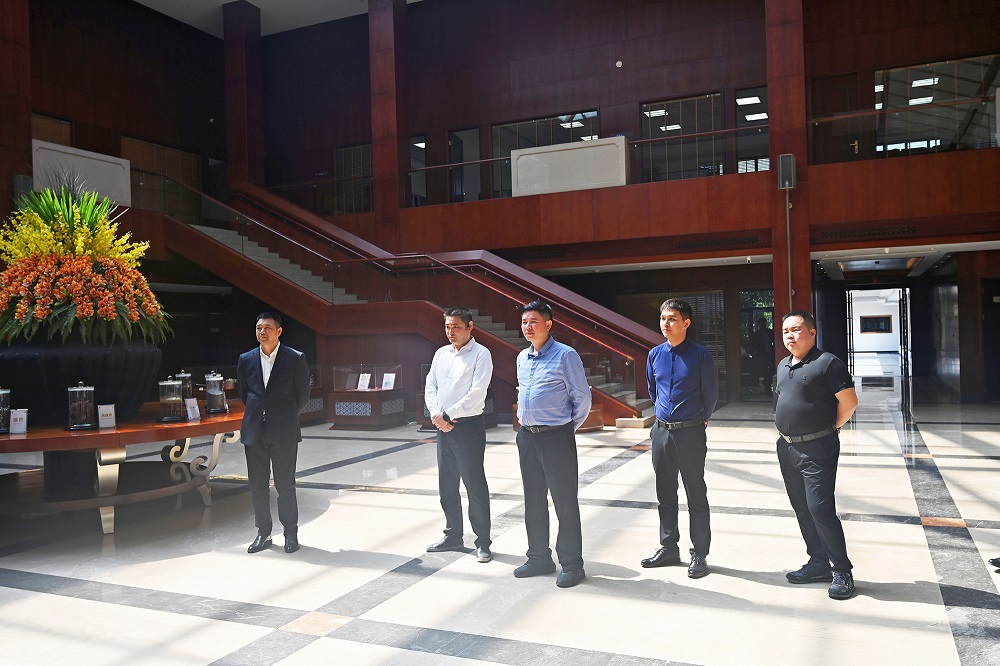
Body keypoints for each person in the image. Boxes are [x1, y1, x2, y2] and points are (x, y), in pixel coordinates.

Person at [774, 311, 859, 600]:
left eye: (796, 329)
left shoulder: (827, 363)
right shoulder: (783, 365)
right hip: (787, 447)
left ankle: (842, 571)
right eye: (785, 331)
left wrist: (829, 427)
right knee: (802, 507)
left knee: (820, 508)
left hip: (817, 449)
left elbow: (849, 403)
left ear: (812, 332)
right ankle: (818, 562)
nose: (789, 335)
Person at [514, 301, 592, 588]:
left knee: (564, 501)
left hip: (556, 436)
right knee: (533, 500)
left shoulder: (565, 355)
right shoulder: (522, 357)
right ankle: (538, 558)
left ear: (548, 324)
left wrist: (566, 428)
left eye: (533, 321)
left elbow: (582, 398)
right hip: (527, 436)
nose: (528, 326)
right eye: (524, 322)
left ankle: (572, 564)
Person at [641, 299, 718, 579]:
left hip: (690, 432)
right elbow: (653, 391)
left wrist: (698, 420)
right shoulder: (654, 355)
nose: (666, 323)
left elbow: (711, 395)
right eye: (663, 318)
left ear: (686, 323)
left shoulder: (700, 355)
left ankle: (699, 553)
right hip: (661, 432)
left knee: (695, 493)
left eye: (672, 318)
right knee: (665, 492)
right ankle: (669, 547)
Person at [423, 306, 494, 563]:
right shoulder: (441, 353)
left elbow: (477, 393)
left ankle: (483, 542)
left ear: (470, 327)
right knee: (447, 485)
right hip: (443, 427)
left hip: (468, 427)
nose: (450, 331)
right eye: (447, 326)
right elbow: (430, 385)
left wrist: (447, 414)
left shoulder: (481, 354)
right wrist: (436, 414)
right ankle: (453, 535)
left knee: (474, 486)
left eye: (456, 326)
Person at [237, 311, 311, 554]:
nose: (262, 331)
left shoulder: (294, 358)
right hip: (255, 431)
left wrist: (284, 416)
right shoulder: (246, 359)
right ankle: (263, 533)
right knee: (258, 486)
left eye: (267, 327)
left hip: (284, 431)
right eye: (259, 327)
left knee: (285, 485)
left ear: (279, 331)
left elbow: (302, 395)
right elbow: (245, 394)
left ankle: (290, 534)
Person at [750, 316, 775, 396]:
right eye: (760, 324)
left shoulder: (770, 332)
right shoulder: (756, 335)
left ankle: (771, 389)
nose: (762, 325)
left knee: (771, 371)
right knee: (764, 372)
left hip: (770, 354)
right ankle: (766, 390)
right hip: (761, 355)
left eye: (763, 323)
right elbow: (753, 345)